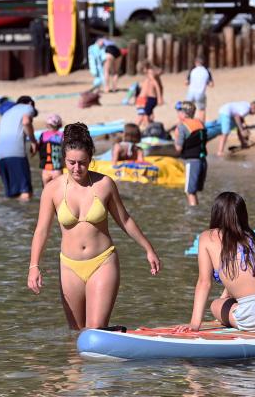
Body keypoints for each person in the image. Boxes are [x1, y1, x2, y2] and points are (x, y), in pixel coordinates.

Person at [27, 122, 160, 330]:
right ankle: (116, 337)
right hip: (69, 266)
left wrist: (148, 249)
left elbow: (125, 220)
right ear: (64, 158)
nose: (76, 168)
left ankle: (110, 335)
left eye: (82, 162)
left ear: (90, 159)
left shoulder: (104, 184)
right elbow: (41, 231)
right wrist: (34, 266)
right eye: (71, 162)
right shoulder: (52, 190)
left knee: (94, 331)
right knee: (76, 335)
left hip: (102, 262)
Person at [174, 192, 255, 334]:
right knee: (232, 301)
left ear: (216, 213)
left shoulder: (207, 237)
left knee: (216, 305)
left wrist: (194, 324)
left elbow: (204, 283)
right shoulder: (250, 236)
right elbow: (245, 272)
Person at [0, 95, 38, 200]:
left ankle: (12, 216)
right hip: (15, 153)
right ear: (30, 103)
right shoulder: (28, 107)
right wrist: (33, 141)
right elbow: (26, 121)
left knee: (11, 195)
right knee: (25, 193)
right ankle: (23, 216)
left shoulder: (6, 113)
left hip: (0, 155)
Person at [174, 101, 208, 206]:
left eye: (179, 112)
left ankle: (193, 215)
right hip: (203, 161)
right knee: (194, 191)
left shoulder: (182, 127)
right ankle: (196, 211)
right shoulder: (200, 124)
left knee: (190, 192)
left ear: (183, 113)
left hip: (192, 162)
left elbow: (178, 148)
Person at [185, 56, 214, 121]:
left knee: (187, 110)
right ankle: (201, 126)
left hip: (191, 92)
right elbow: (211, 85)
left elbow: (186, 83)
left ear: (196, 63)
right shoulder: (206, 71)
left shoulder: (192, 70)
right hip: (200, 93)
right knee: (201, 110)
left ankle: (187, 124)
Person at [37, 114, 64, 185]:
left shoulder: (43, 135)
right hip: (57, 169)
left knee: (46, 191)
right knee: (58, 191)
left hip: (45, 169)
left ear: (47, 125)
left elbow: (38, 147)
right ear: (60, 125)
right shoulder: (62, 135)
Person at [135, 62, 163, 128]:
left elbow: (156, 85)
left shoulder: (150, 73)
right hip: (144, 99)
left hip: (143, 99)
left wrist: (159, 97)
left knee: (142, 116)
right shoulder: (149, 76)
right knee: (147, 116)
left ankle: (135, 130)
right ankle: (148, 128)